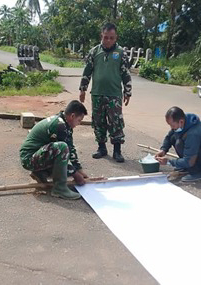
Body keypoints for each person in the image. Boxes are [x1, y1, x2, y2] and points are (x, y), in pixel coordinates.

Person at [79, 22, 132, 163]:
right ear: (101, 36)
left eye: (111, 38)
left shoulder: (121, 53)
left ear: (116, 38)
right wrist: (82, 89)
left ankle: (117, 151)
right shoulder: (94, 52)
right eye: (106, 37)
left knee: (116, 122)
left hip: (114, 94)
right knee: (98, 122)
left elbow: (126, 74)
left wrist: (128, 91)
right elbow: (87, 72)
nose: (108, 40)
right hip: (97, 94)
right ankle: (101, 148)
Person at [20, 100, 89, 200]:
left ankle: (40, 173)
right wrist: (75, 174)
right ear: (72, 116)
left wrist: (79, 169)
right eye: (79, 120)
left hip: (38, 155)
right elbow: (62, 151)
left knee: (64, 150)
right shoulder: (59, 125)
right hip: (29, 159)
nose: (79, 124)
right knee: (61, 147)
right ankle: (59, 189)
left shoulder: (65, 123)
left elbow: (71, 148)